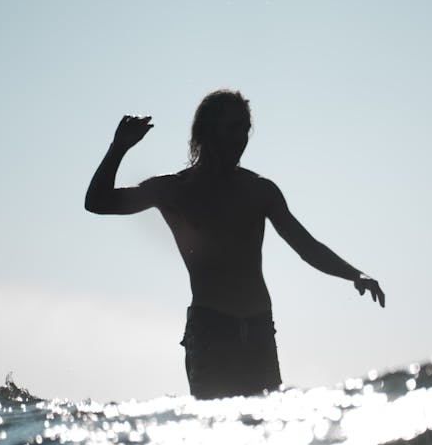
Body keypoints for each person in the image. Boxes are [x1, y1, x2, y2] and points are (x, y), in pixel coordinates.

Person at [85, 90, 385, 399]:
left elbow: (305, 244)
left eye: (245, 128)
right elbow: (97, 202)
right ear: (206, 131)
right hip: (211, 332)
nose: (240, 137)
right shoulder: (174, 190)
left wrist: (354, 274)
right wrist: (118, 148)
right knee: (216, 432)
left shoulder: (259, 190)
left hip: (258, 331)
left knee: (266, 433)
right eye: (232, 128)